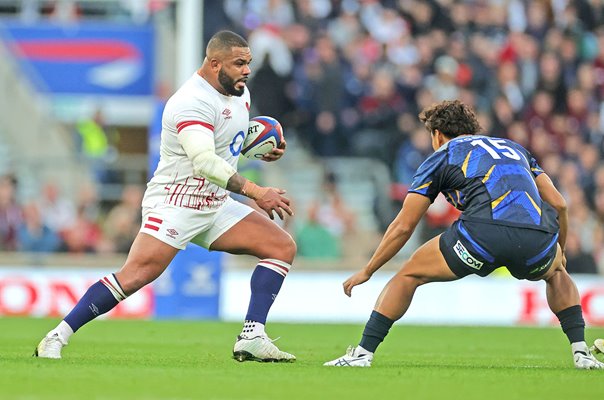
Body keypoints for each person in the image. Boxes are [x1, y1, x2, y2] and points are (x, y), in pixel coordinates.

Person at [34, 30, 297, 363]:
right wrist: (256, 191)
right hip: (176, 202)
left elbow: (221, 143)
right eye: (239, 63)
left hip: (214, 203)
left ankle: (252, 336)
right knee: (134, 276)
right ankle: (56, 336)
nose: (247, 70)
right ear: (215, 64)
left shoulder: (239, 92)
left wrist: (255, 148)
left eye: (248, 63)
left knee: (281, 246)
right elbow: (202, 160)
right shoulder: (191, 100)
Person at [324, 100, 604, 369]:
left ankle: (362, 353)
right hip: (537, 238)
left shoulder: (442, 155)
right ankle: (582, 354)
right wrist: (560, 251)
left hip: (481, 238)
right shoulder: (514, 148)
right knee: (557, 274)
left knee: (408, 275)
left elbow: (403, 226)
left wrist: (369, 269)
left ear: (436, 134)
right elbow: (559, 204)